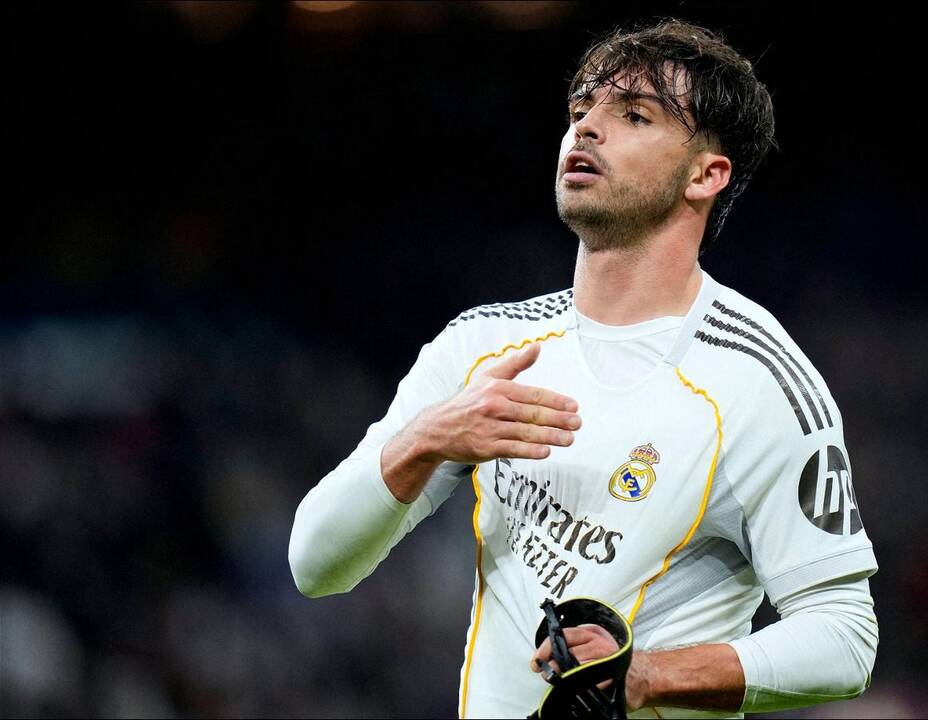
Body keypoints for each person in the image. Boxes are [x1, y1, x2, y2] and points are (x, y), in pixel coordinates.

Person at [289, 19, 879, 719]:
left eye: (634, 115)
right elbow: (314, 565)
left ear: (705, 175)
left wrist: (647, 676)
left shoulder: (758, 382)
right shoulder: (485, 347)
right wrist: (426, 439)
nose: (587, 128)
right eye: (580, 108)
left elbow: (845, 639)